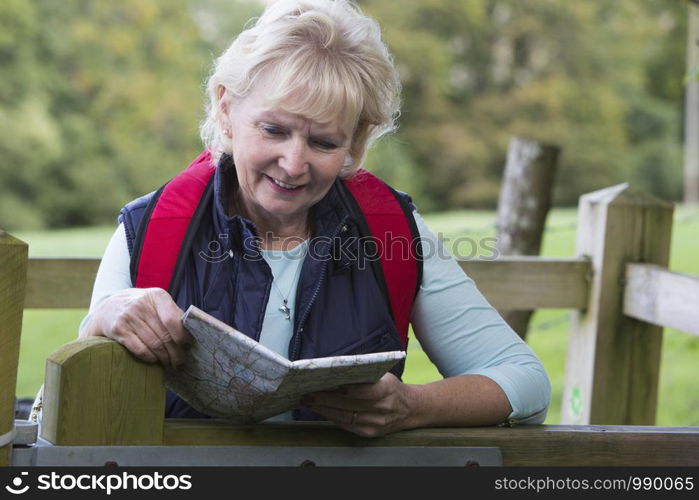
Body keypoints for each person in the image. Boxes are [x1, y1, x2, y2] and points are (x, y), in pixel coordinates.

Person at [76, 0, 550, 437]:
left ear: (357, 140)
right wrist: (107, 317)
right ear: (226, 109)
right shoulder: (156, 225)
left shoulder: (392, 231)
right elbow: (87, 381)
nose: (294, 163)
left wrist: (411, 406)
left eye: (323, 142)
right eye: (274, 130)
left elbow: (525, 383)